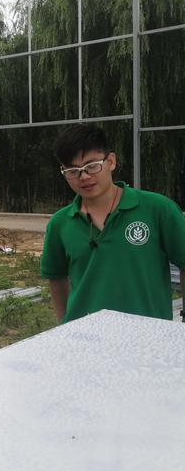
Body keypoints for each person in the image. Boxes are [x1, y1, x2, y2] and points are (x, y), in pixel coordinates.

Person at [40, 123, 185, 324]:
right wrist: (65, 326)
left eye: (92, 166)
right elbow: (56, 277)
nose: (84, 176)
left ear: (111, 161)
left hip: (148, 335)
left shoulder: (158, 209)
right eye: (73, 170)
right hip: (84, 336)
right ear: (64, 172)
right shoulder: (60, 223)